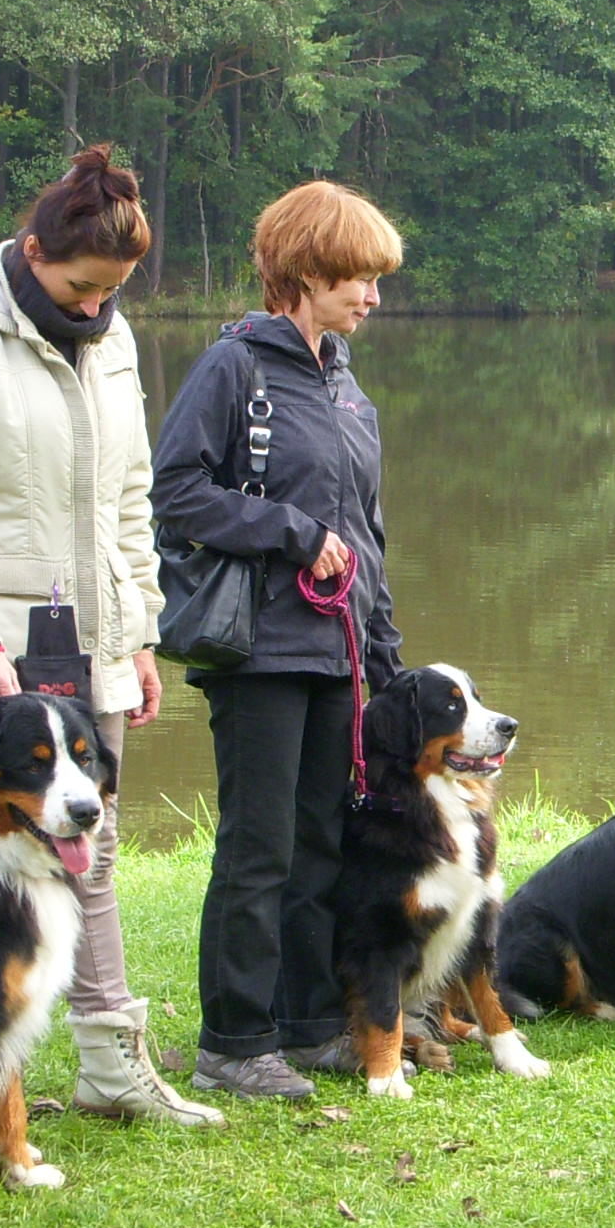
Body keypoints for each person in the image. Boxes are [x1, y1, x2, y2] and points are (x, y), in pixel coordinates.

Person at [0, 146, 221, 1127]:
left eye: (113, 292)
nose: (94, 307)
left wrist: (140, 634)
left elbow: (125, 501)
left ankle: (114, 1067)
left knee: (88, 854)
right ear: (33, 253)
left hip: (94, 648)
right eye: (80, 287)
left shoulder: (110, 343)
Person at [151, 181, 406, 1100]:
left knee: (322, 844)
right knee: (258, 847)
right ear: (302, 271)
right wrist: (293, 533)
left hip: (335, 654)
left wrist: (387, 659)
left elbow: (367, 533)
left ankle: (305, 1027)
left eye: (376, 280)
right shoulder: (233, 370)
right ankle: (232, 1040)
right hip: (257, 652)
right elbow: (175, 493)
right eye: (357, 279)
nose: (371, 297)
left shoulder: (345, 384)